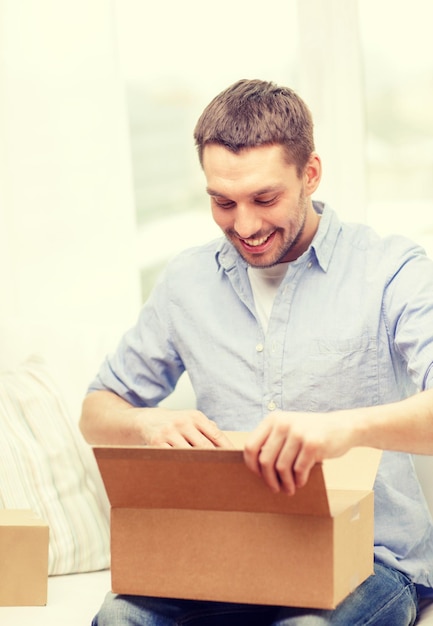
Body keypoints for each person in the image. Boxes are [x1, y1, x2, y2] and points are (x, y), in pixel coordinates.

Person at [80, 79, 433, 625]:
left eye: (265, 199)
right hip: (228, 556)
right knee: (117, 618)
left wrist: (345, 430)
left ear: (310, 174)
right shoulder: (187, 283)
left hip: (370, 561)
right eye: (223, 202)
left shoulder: (390, 270)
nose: (243, 226)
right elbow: (97, 410)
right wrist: (147, 426)